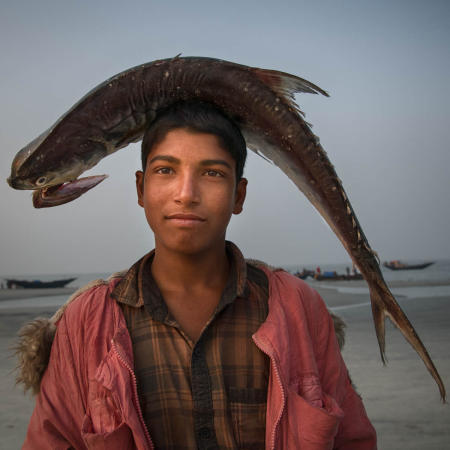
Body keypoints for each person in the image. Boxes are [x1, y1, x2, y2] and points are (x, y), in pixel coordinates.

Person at [20, 101, 376, 449]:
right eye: (166, 170)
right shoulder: (87, 320)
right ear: (140, 189)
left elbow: (352, 438)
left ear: (239, 195)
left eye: (212, 173)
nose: (186, 194)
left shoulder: (297, 307)